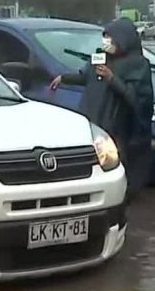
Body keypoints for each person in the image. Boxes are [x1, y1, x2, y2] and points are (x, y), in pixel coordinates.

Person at [50, 18, 153, 197]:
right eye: (105, 37)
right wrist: (64, 78)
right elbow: (86, 76)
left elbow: (137, 98)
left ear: (123, 40)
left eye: (110, 38)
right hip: (95, 118)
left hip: (118, 126)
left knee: (114, 161)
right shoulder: (100, 57)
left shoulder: (138, 65)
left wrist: (112, 79)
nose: (106, 42)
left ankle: (120, 195)